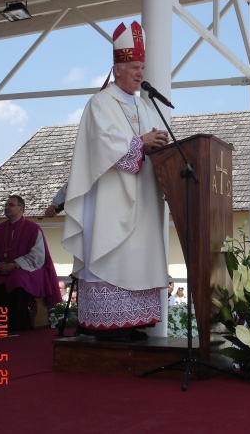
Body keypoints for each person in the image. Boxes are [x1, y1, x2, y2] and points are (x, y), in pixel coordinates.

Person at [62, 20, 169, 341]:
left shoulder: (148, 106)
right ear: (117, 69)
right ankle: (107, 325)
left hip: (143, 200)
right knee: (110, 252)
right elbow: (103, 144)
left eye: (142, 67)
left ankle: (133, 321)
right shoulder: (100, 103)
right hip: (111, 198)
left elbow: (154, 140)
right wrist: (140, 143)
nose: (140, 73)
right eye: (134, 67)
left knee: (139, 256)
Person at [0, 194, 62, 332]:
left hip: (28, 270)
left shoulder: (33, 228)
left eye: (11, 205)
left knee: (17, 278)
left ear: (21, 208)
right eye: (6, 205)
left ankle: (18, 325)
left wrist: (15, 265)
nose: (7, 208)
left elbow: (38, 256)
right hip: (1, 269)